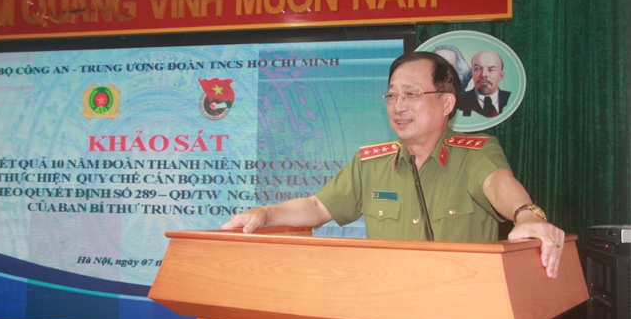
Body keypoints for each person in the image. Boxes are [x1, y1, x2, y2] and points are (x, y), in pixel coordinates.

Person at [223, 52, 565, 279]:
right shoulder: (371, 162)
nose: (398, 105)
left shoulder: (475, 153)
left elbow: (498, 183)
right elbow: (316, 207)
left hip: (460, 306)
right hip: (388, 307)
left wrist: (528, 216)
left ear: (447, 103)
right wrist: (266, 213)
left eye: (411, 94)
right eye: (391, 95)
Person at [460, 50, 510, 117]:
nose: (483, 74)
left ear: (501, 76)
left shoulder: (511, 99)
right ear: (472, 73)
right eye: (477, 68)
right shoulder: (459, 102)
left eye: (491, 70)